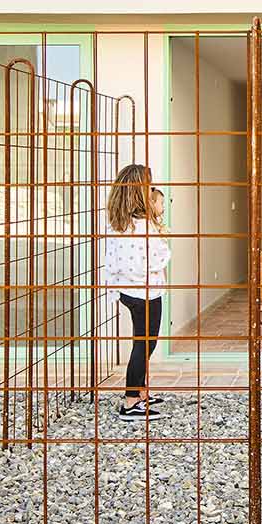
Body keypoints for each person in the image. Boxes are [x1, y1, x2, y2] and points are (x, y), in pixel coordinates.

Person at [101, 164, 170, 421]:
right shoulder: (144, 226)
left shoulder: (118, 223)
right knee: (145, 343)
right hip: (147, 292)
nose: (152, 189)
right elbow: (158, 258)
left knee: (141, 341)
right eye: (149, 185)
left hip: (127, 291)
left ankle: (140, 392)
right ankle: (131, 401)